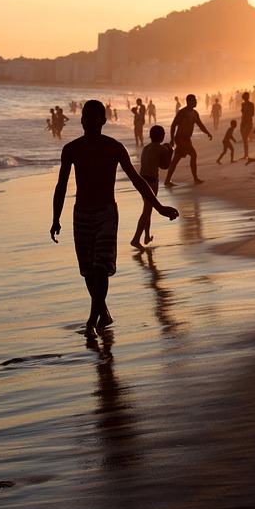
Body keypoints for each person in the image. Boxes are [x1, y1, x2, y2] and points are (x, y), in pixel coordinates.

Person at [51, 100, 178, 336]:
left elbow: (138, 180)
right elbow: (61, 186)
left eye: (94, 116)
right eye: (85, 116)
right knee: (88, 271)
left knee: (101, 267)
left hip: (107, 213)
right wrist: (55, 218)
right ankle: (104, 313)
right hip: (81, 214)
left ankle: (91, 321)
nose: (88, 120)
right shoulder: (72, 149)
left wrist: (159, 207)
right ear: (81, 120)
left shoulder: (114, 148)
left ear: (103, 120)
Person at [132, 125, 173, 248]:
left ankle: (146, 236)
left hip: (141, 180)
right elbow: (164, 166)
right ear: (161, 136)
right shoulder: (162, 149)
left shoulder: (146, 148)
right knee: (146, 210)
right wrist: (170, 152)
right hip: (151, 182)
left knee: (148, 208)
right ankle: (135, 239)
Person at [164, 94, 213, 187]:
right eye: (194, 100)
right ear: (188, 101)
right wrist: (172, 139)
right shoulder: (182, 112)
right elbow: (173, 125)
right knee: (193, 155)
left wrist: (208, 133)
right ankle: (195, 179)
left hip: (187, 139)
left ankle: (167, 180)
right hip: (180, 138)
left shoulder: (195, 113)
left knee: (176, 159)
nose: (196, 102)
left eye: (196, 100)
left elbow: (200, 125)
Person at [239, 91, 255, 160]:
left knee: (245, 138)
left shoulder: (251, 104)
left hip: (248, 122)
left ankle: (246, 155)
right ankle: (245, 154)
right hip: (243, 123)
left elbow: (252, 114)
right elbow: (242, 112)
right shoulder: (242, 104)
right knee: (244, 138)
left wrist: (246, 112)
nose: (244, 98)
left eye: (245, 97)